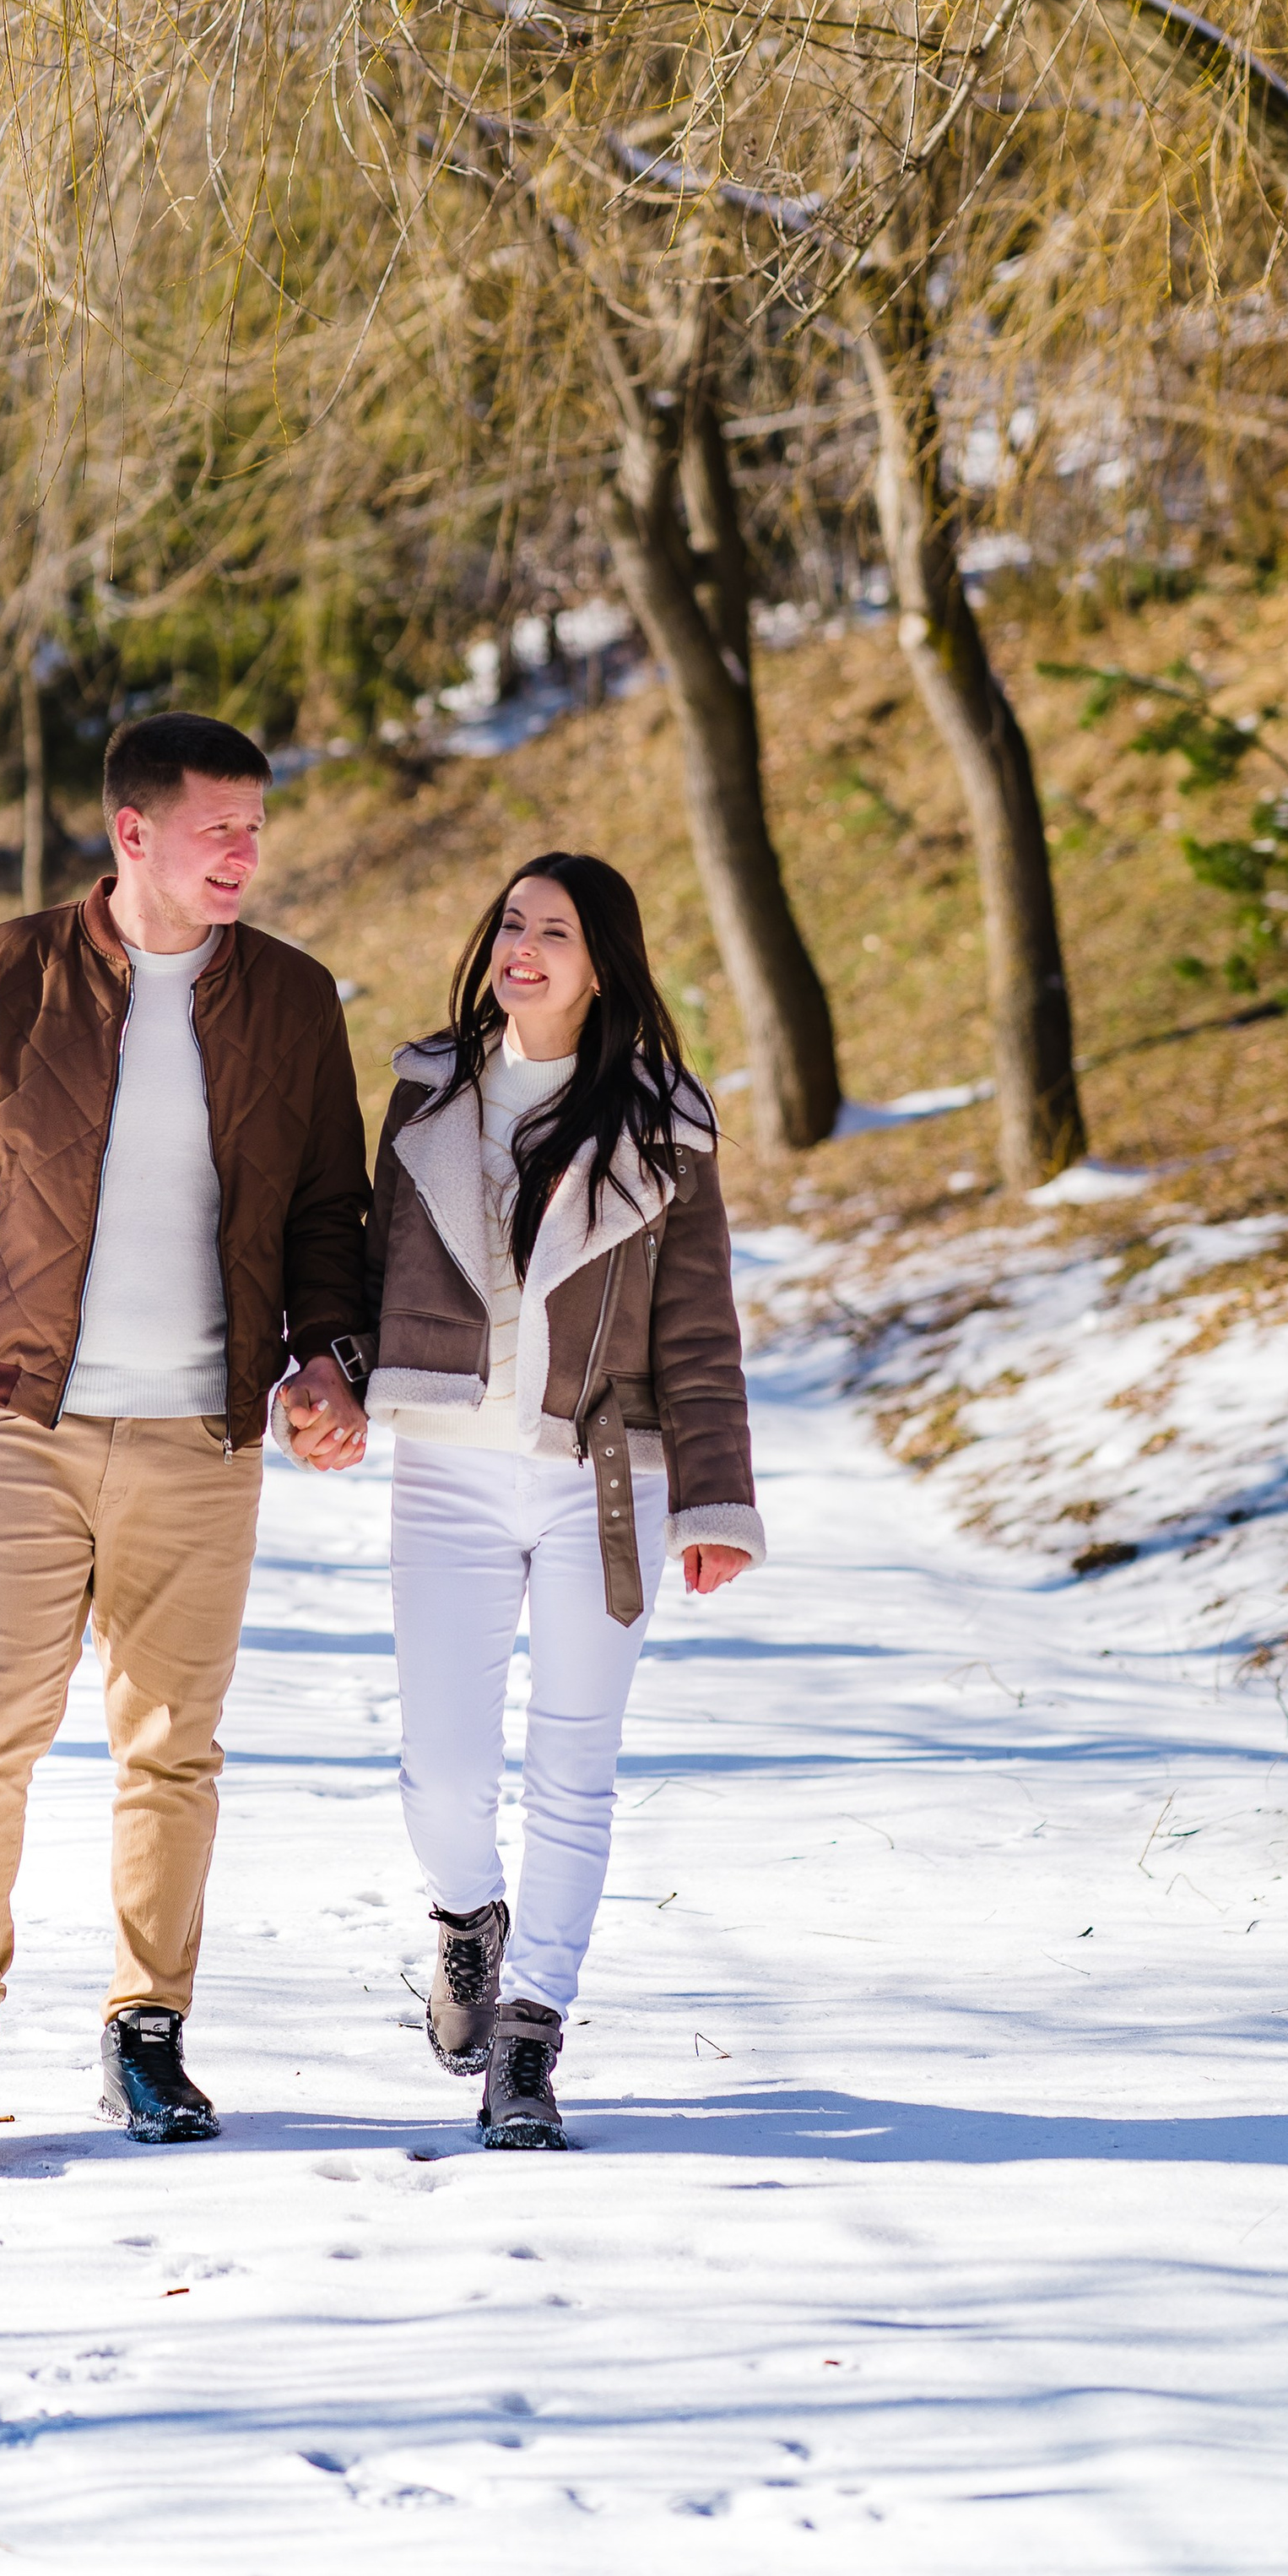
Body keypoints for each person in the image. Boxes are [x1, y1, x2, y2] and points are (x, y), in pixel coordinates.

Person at [0, 713, 370, 2150]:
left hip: (205, 1437)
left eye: (256, 827)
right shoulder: (0, 980)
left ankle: (151, 2034)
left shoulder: (293, 1001)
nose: (244, 853)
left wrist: (328, 1362)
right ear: (133, 834)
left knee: (174, 1750)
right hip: (25, 1422)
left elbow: (330, 1219)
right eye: (219, 829)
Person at [347, 852, 763, 2151]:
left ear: (603, 965)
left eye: (557, 932)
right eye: (513, 924)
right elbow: (368, 1272)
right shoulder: (429, 1093)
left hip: (605, 1480)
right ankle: (470, 1922)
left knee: (575, 1769)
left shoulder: (662, 1122)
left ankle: (530, 2034)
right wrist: (333, 1377)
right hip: (449, 1468)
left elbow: (698, 1333)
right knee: (447, 1777)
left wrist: (712, 1503)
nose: (524, 948)